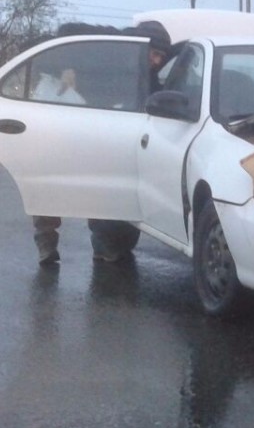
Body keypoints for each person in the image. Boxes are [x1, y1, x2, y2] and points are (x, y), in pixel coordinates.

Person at [33, 20, 172, 265]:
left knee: (102, 191)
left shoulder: (147, 77)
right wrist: (63, 67)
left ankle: (104, 247)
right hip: (70, 126)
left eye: (162, 57)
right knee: (49, 185)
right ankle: (46, 243)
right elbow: (65, 33)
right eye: (155, 53)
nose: (157, 61)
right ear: (143, 44)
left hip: (108, 139)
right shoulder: (111, 44)